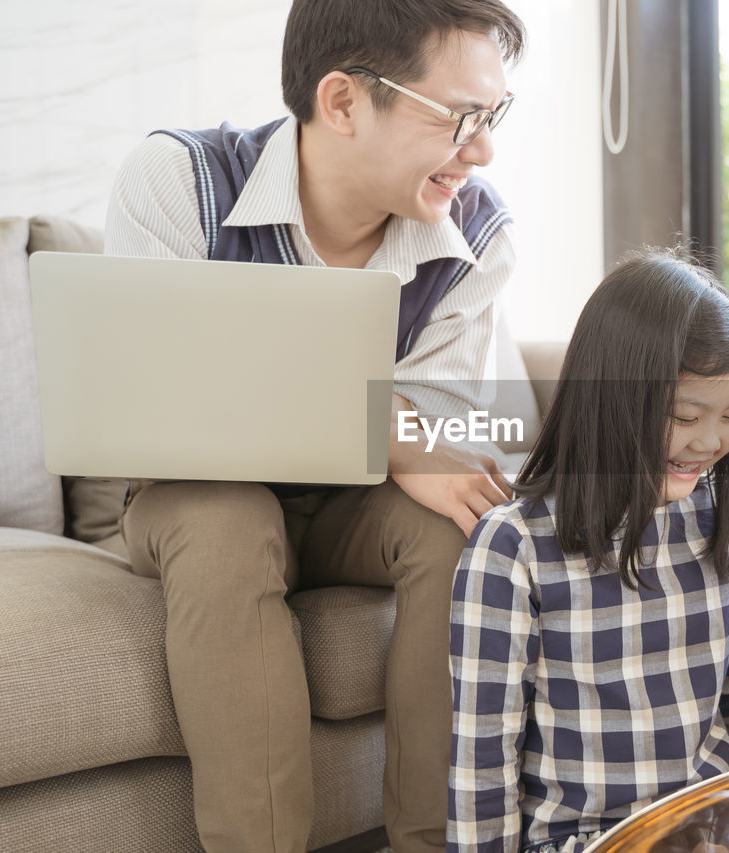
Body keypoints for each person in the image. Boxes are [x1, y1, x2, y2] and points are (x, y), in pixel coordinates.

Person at [103, 1, 526, 850]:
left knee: (460, 527)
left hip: (350, 506)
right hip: (198, 494)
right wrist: (395, 430)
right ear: (341, 102)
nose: (481, 149)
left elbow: (441, 438)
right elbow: (166, 400)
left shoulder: (476, 234)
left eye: (493, 117)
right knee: (227, 522)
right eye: (460, 118)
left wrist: (404, 439)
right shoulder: (178, 181)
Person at [447, 250, 729, 853]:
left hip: (712, 829)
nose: (711, 441)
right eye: (685, 416)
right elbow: (483, 764)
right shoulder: (513, 547)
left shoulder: (718, 519)